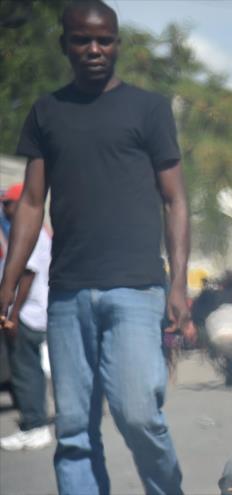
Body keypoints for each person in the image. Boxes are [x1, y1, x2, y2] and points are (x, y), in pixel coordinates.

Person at [0, 1, 193, 493]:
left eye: (104, 39)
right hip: (68, 295)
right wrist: (8, 284)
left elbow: (175, 200)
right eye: (82, 40)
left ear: (117, 44)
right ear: (65, 44)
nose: (94, 49)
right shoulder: (47, 112)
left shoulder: (148, 109)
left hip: (137, 290)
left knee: (137, 413)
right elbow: (31, 205)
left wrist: (178, 284)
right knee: (73, 433)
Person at [0, 183, 53, 451]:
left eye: (8, 203)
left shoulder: (30, 233)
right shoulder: (31, 232)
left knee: (25, 372)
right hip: (27, 313)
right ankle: (32, 423)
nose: (4, 208)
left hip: (28, 315)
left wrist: (13, 314)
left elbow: (27, 274)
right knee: (24, 370)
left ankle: (35, 425)